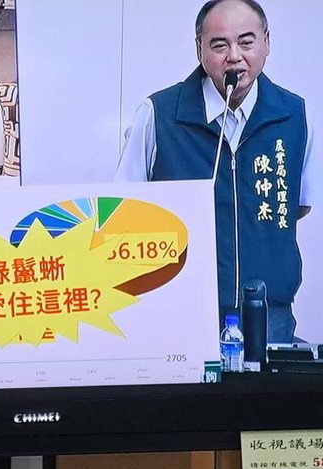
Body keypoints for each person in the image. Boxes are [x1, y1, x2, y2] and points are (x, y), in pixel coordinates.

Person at [115, 0, 321, 343]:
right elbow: (124, 209)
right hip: (181, 314)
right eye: (219, 45)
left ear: (267, 42)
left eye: (246, 42)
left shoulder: (295, 115)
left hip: (269, 316)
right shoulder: (158, 115)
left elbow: (299, 206)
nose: (234, 56)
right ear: (199, 49)